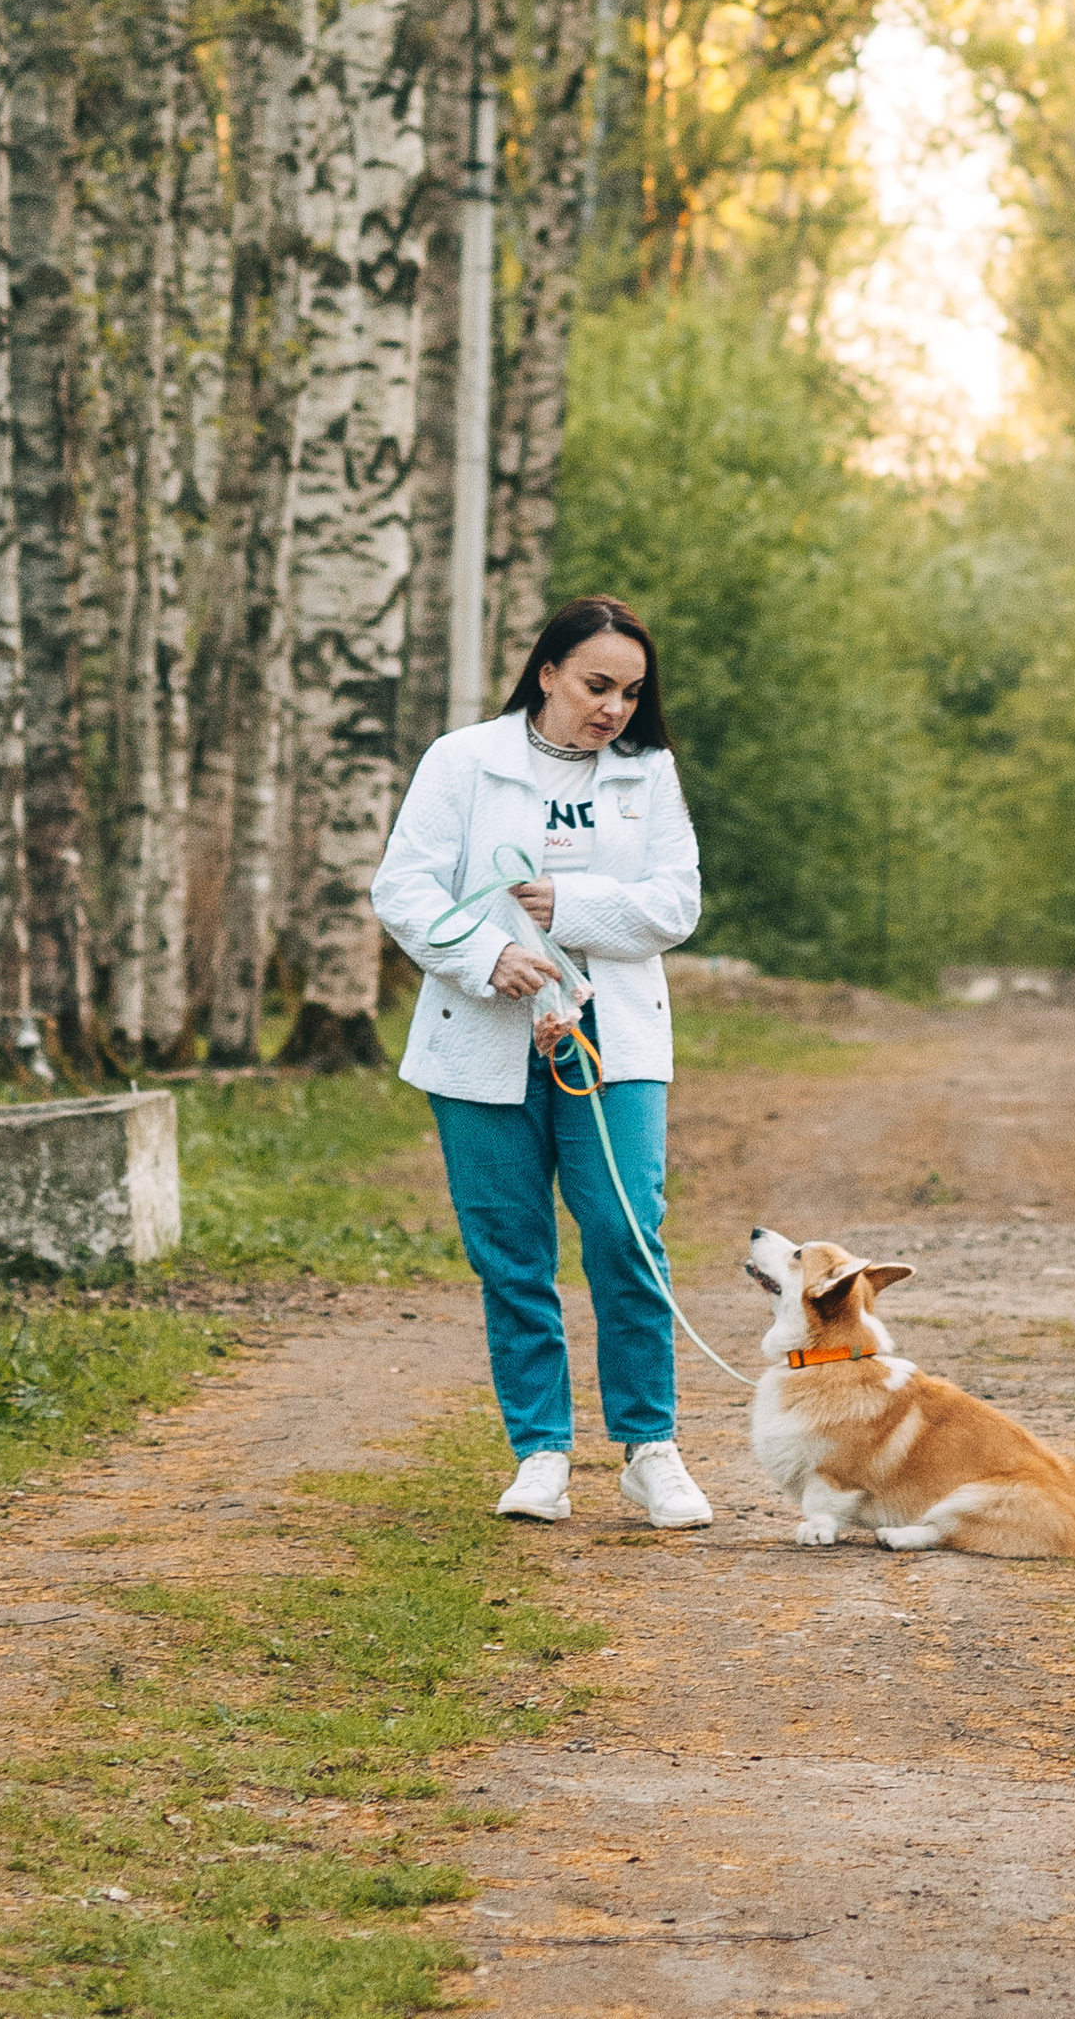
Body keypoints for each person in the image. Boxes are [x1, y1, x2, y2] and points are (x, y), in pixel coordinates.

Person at [371, 593, 714, 1530]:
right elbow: (402, 888)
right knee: (512, 1252)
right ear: (549, 671)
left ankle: (651, 1450)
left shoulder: (650, 775)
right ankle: (541, 1454)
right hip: (481, 1040)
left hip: (614, 1036)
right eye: (597, 685)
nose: (614, 709)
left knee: (625, 1233)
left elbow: (674, 905)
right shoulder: (464, 761)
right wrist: (487, 957)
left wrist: (568, 906)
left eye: (632, 694)